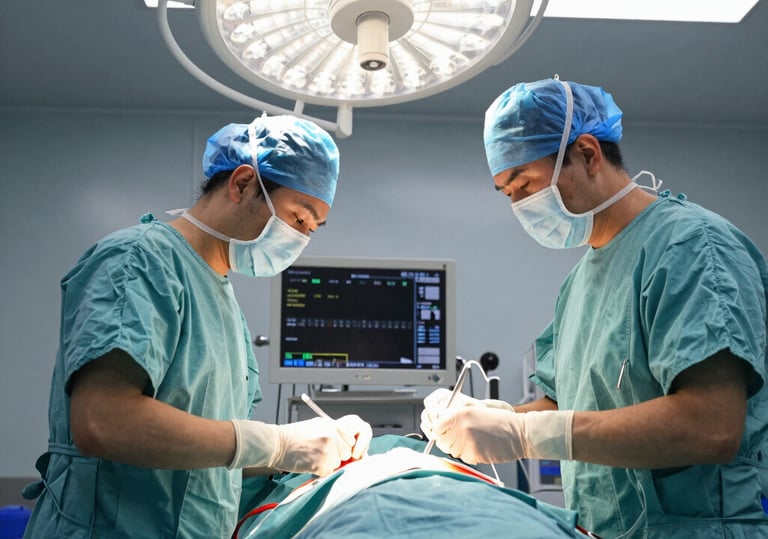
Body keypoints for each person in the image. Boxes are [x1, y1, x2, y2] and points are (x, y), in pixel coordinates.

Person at [421, 78, 768, 538]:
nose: (519, 206)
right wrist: (488, 418)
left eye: (525, 184)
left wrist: (523, 435)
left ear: (588, 153)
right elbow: (562, 404)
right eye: (507, 193)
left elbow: (712, 425)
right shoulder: (579, 282)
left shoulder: (691, 248)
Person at [22, 114, 373, 539]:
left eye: (313, 229)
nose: (302, 238)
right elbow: (102, 421)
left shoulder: (223, 301)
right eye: (299, 218)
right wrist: (276, 443)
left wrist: (306, 449)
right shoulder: (138, 260)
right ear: (243, 184)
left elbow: (213, 456)